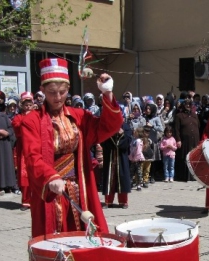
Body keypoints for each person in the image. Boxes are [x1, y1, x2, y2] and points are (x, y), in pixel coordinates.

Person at [21, 58, 123, 238]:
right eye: (52, 92)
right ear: (42, 90)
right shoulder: (32, 120)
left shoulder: (79, 116)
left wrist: (107, 94)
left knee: (84, 237)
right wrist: (50, 176)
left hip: (79, 186)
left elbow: (108, 127)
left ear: (68, 90)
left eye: (62, 92)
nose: (58, 97)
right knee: (54, 240)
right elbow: (32, 156)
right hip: (51, 189)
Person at [12, 91, 35, 211]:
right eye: (26, 104)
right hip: (23, 149)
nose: (28, 107)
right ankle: (26, 201)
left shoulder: (38, 115)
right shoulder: (18, 118)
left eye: (30, 104)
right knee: (24, 175)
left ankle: (36, 200)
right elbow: (18, 129)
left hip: (36, 148)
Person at [101, 122, 132, 208]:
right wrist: (111, 133)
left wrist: (123, 134)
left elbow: (128, 140)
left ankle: (123, 202)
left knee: (122, 179)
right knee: (109, 179)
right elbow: (102, 140)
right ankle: (108, 201)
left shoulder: (125, 126)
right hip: (110, 157)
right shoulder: (107, 126)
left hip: (121, 158)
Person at [173, 98, 200, 182]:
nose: (188, 106)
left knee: (194, 157)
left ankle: (194, 176)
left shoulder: (194, 115)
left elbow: (198, 126)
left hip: (194, 140)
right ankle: (184, 176)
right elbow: (176, 129)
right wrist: (178, 140)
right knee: (185, 157)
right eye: (186, 104)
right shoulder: (179, 116)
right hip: (184, 141)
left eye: (189, 104)